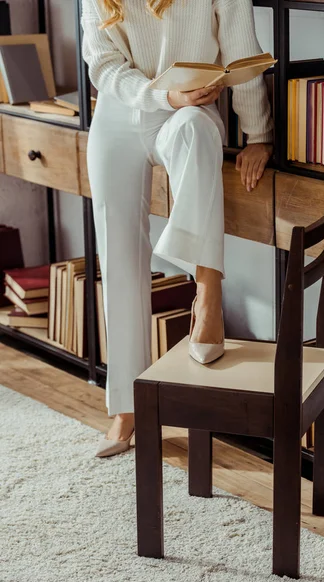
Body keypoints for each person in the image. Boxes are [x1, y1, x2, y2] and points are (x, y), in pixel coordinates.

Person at [81, 0, 274, 458]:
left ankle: (207, 293)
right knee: (120, 254)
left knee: (197, 132)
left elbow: (240, 50)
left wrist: (259, 133)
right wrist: (159, 95)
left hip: (188, 112)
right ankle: (127, 407)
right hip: (120, 110)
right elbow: (103, 63)